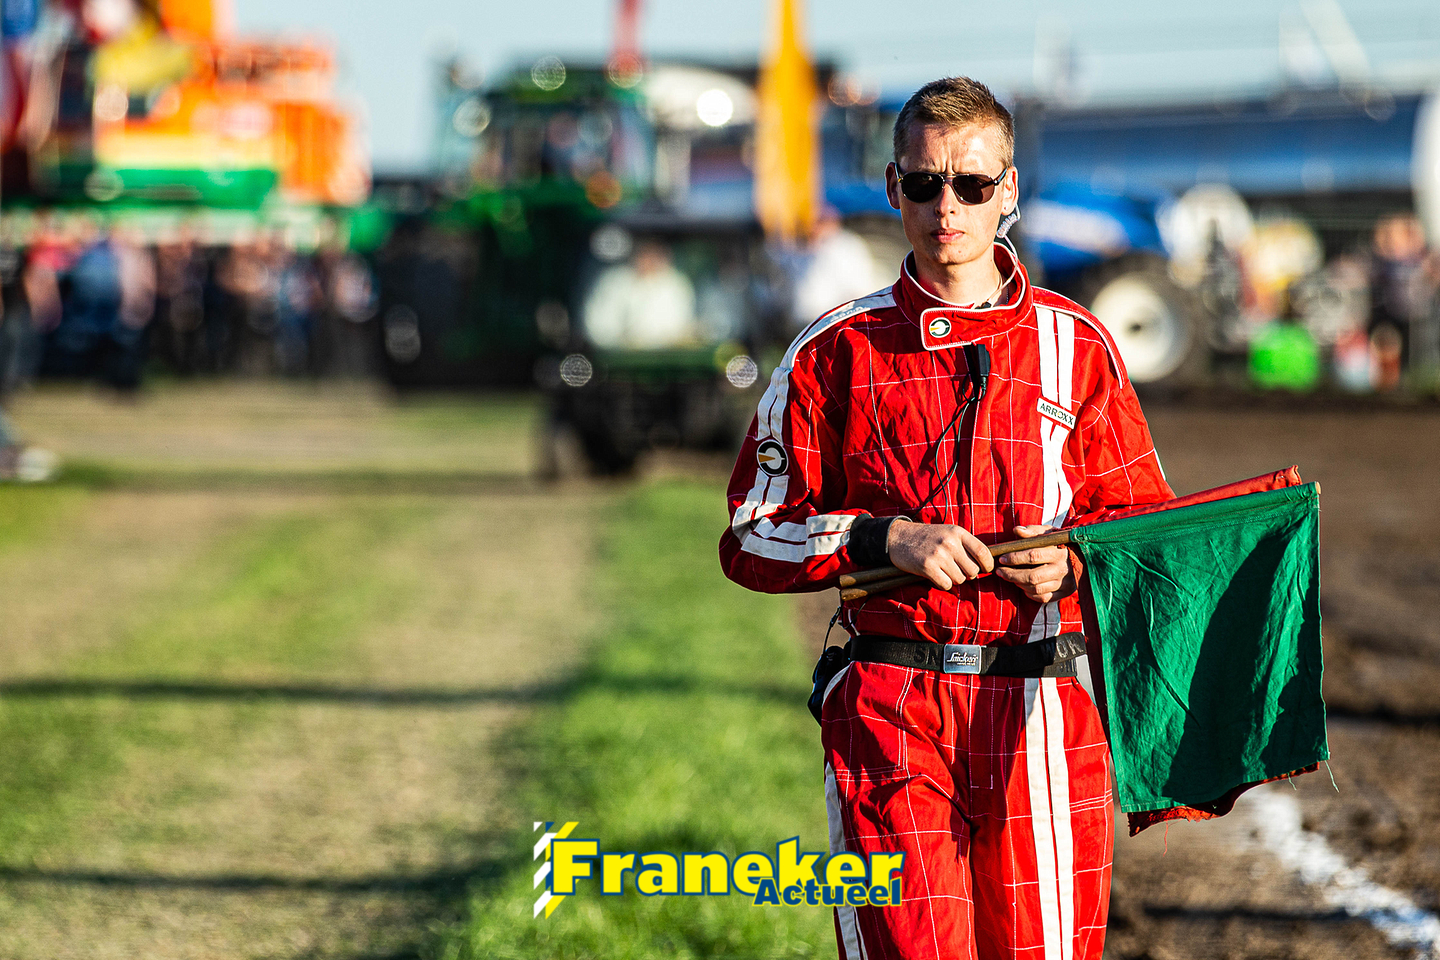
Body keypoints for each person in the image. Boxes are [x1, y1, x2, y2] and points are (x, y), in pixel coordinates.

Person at [719, 77, 1172, 960]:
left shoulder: (1078, 344)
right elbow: (749, 534)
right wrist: (881, 537)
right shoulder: (833, 351)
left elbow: (1143, 532)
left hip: (1044, 711)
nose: (947, 207)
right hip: (890, 711)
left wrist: (1078, 561)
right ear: (894, 188)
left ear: (1009, 190)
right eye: (925, 184)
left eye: (971, 183)